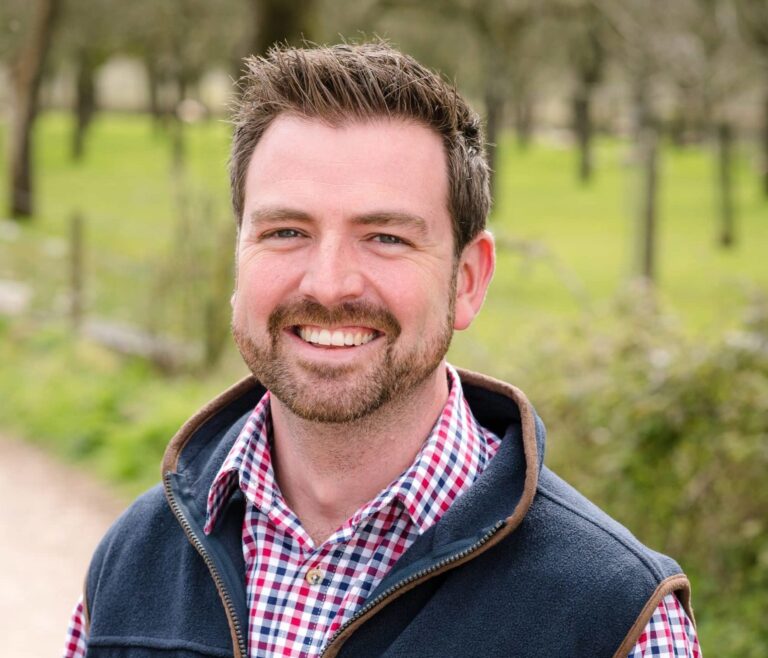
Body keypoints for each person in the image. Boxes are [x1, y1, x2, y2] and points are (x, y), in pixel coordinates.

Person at [64, 43, 700, 658]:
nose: (329, 283)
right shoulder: (128, 565)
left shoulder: (619, 622)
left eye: (386, 237)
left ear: (468, 281)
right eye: (286, 232)